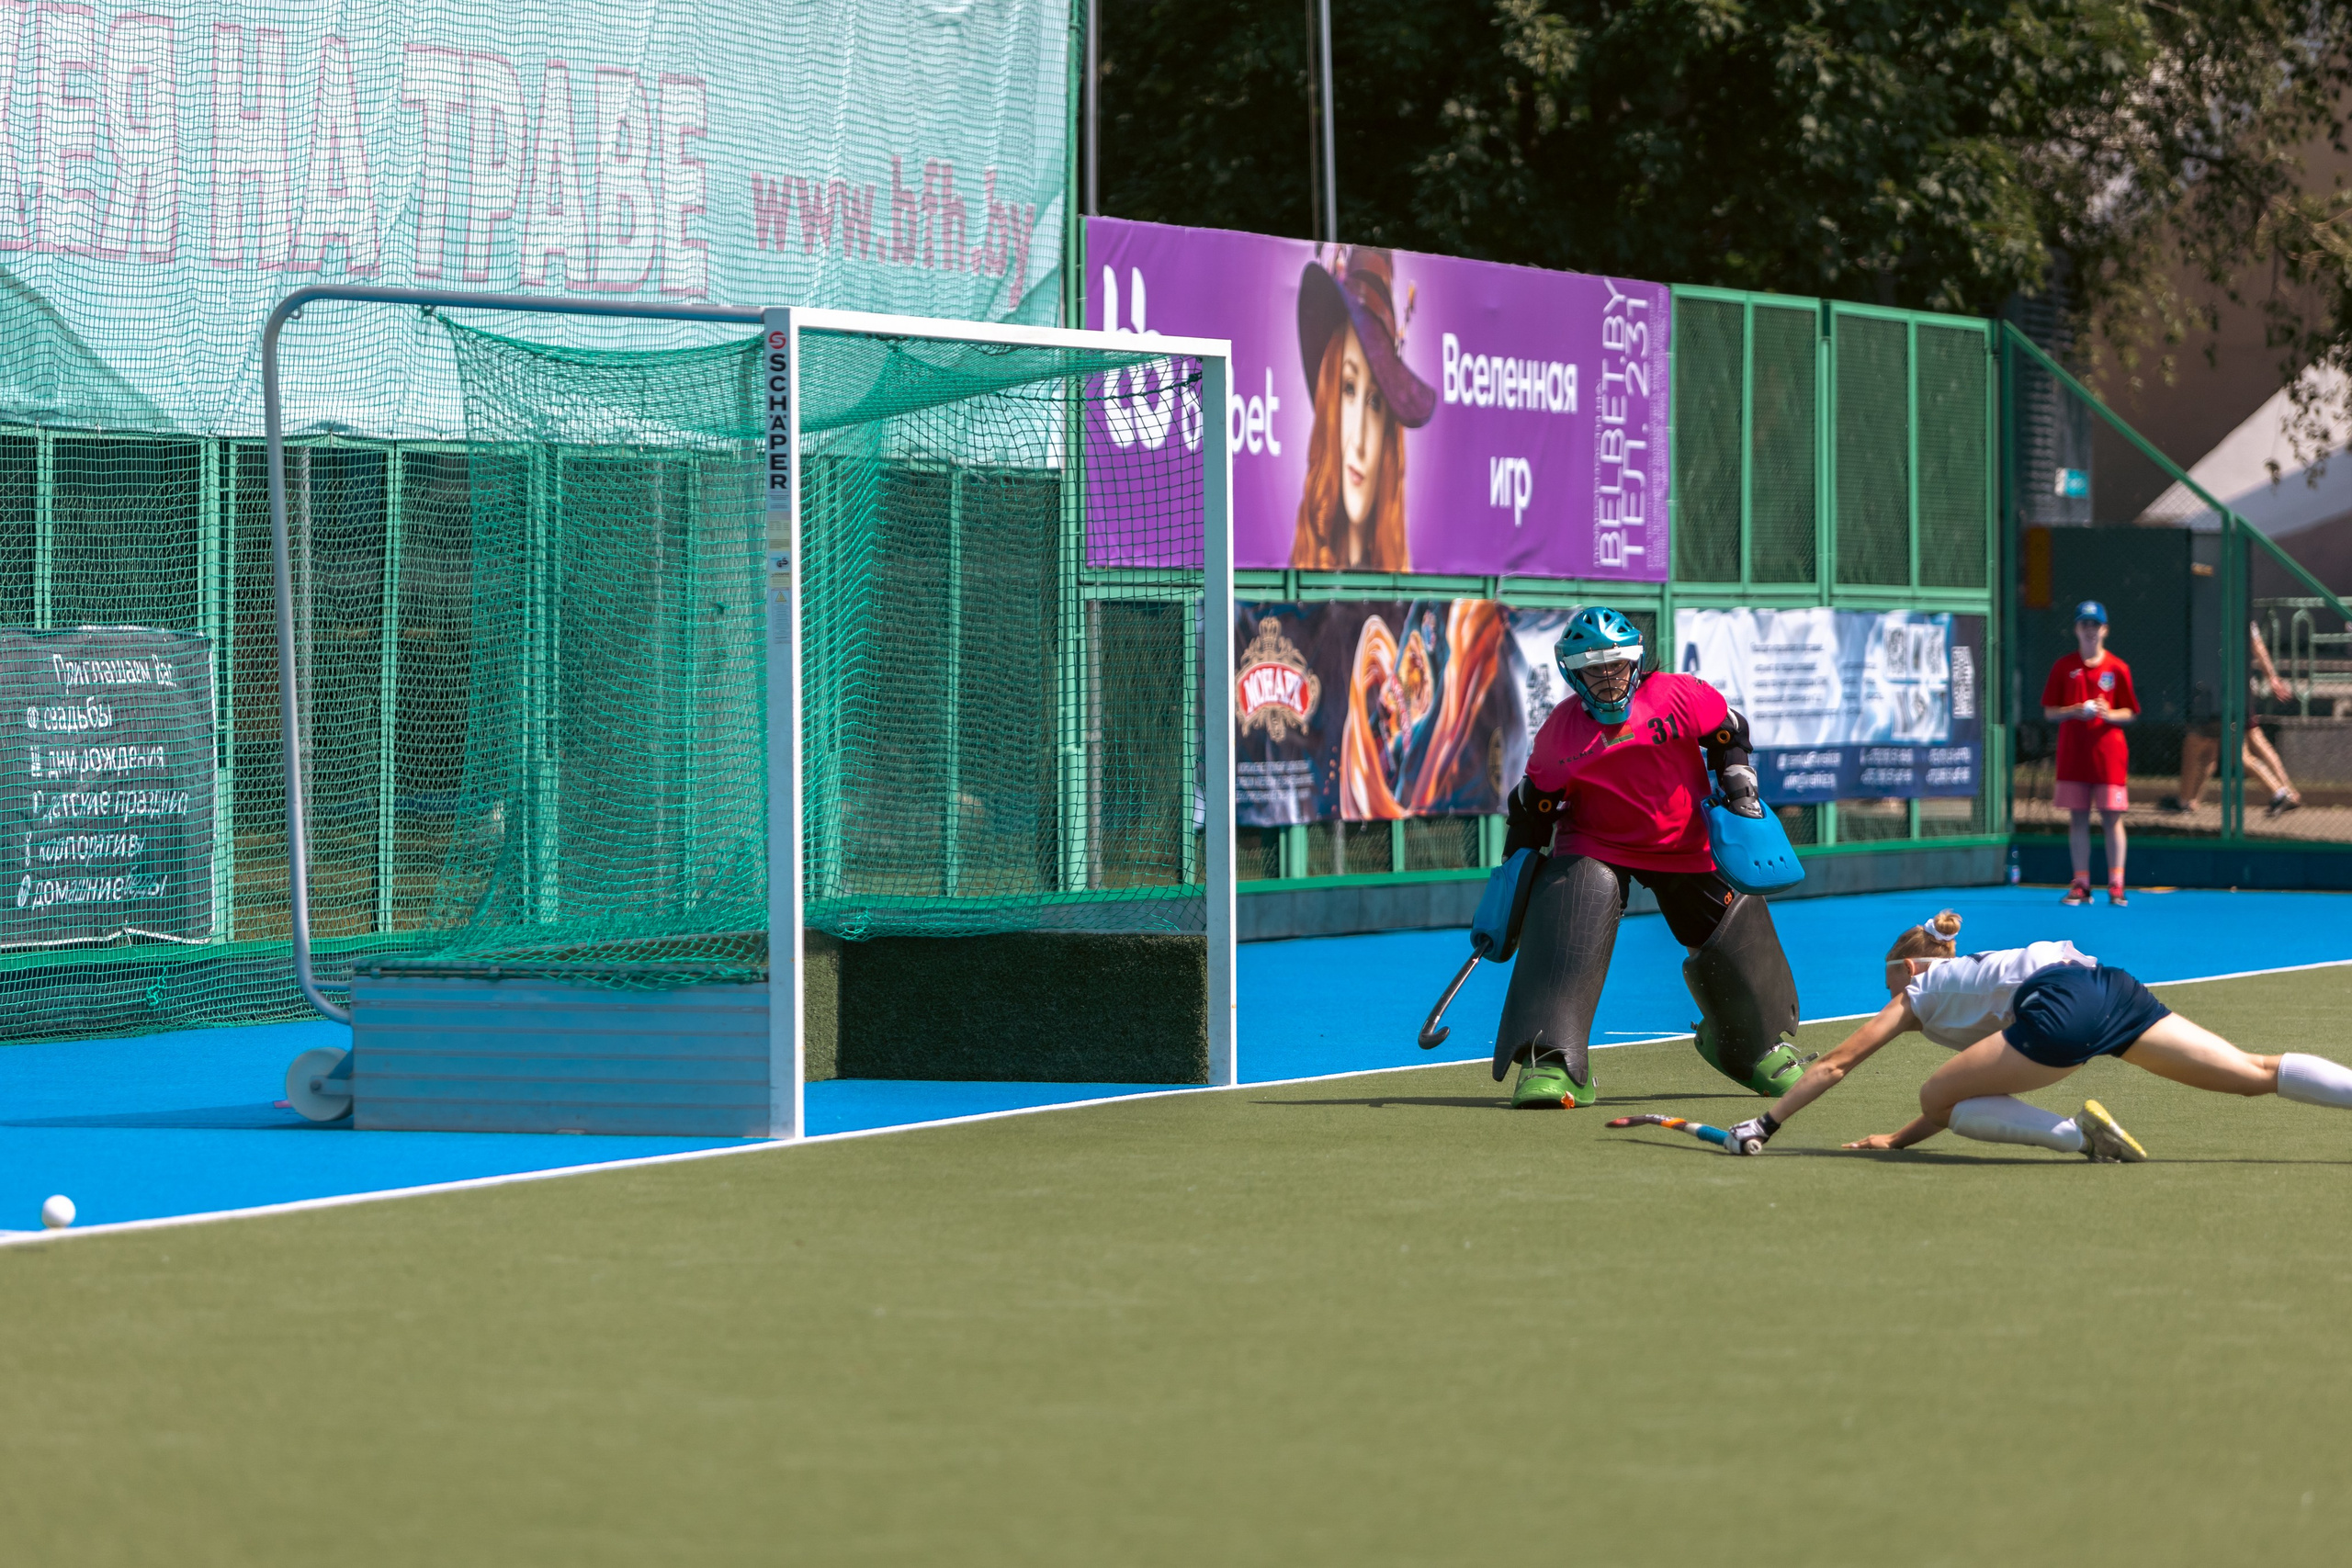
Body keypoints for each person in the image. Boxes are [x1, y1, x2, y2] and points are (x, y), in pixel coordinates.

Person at [1722, 909, 2352, 1160]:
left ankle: (2080, 1137)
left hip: (2059, 1009)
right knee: (2252, 1074)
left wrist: (1767, 1123)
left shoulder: (1917, 991)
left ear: (1910, 969)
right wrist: (1900, 1139)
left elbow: (1835, 1062)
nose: (1891, 1002)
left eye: (1890, 986)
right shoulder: (1976, 968)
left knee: (1937, 1096)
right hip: (2111, 986)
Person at [1493, 605, 1805, 1108]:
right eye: (1595, 669)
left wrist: (1738, 784)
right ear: (1573, 672)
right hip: (1596, 845)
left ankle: (1752, 1047)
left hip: (1681, 841)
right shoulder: (1560, 734)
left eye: (1617, 666)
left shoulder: (1680, 696)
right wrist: (1515, 871)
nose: (1609, 679)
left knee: (1733, 924)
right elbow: (1535, 804)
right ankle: (1554, 1061)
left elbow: (1728, 732)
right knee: (1570, 905)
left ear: (1635, 662)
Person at [1288, 246, 1435, 571]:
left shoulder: (1413, 609)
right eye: (1349, 389)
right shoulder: (1269, 609)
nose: (1359, 440)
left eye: (1375, 402)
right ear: (1330, 402)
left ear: (1388, 430)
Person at [2041, 601, 2138, 906]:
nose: (2090, 630)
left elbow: (2131, 712)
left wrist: (2109, 714)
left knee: (2112, 818)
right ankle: (2081, 882)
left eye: (2095, 625)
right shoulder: (2063, 667)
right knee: (2078, 818)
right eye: (2084, 624)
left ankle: (2116, 883)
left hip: (2108, 757)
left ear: (2104, 630)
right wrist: (2075, 710)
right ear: (2076, 629)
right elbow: (2049, 712)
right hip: (2073, 756)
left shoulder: (2118, 668)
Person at [2162, 624, 2302, 818]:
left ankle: (2280, 792)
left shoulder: (2235, 613)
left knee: (2235, 752)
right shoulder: (2209, 614)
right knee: (2211, 747)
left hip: (2228, 697)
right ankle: (2187, 801)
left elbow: (2257, 644)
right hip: (2218, 695)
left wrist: (2272, 677)